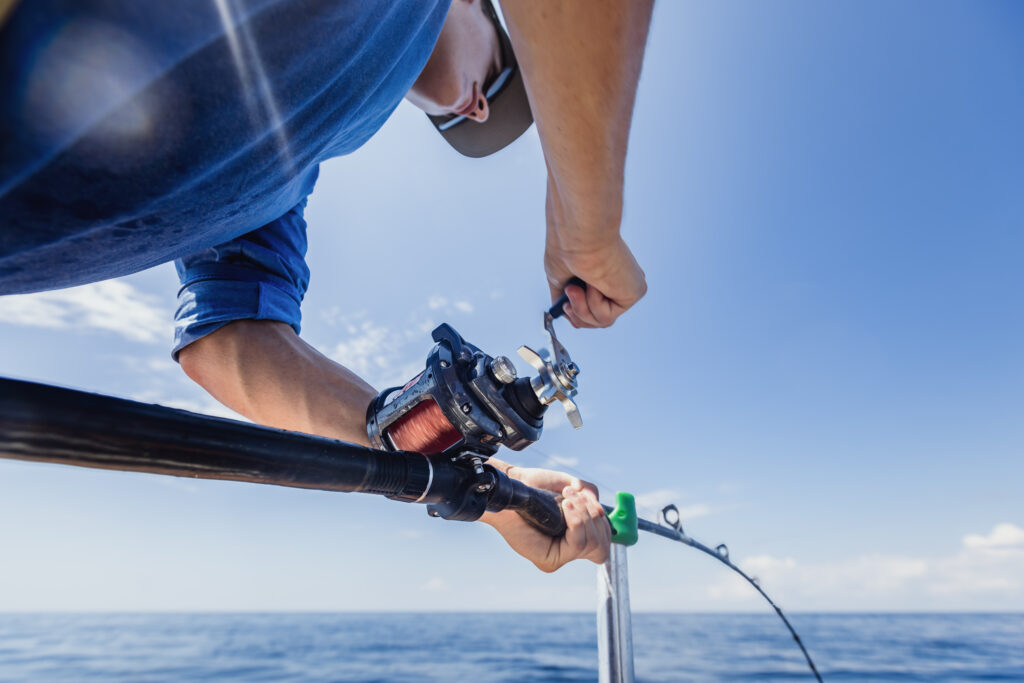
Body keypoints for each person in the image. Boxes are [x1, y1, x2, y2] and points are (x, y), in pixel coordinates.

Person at [0, 0, 652, 573]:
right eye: (495, 75)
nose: (478, 106)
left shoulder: (278, 185)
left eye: (472, 110)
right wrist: (586, 226)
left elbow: (230, 343)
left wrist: (496, 489)